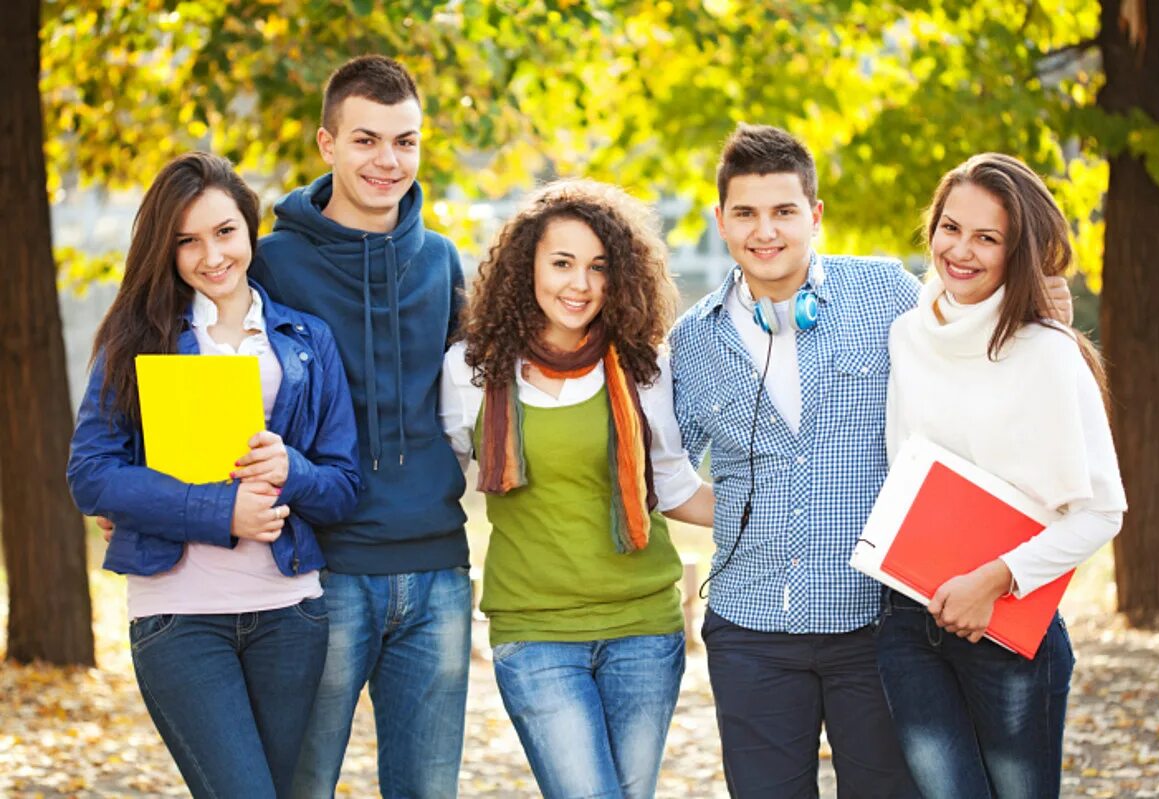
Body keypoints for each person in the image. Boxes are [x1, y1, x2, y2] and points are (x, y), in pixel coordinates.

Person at [668, 125, 1075, 798]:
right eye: (744, 213)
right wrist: (749, 515)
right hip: (749, 629)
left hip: (877, 626)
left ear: (814, 216)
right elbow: (664, 472)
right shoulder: (692, 340)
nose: (763, 231)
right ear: (720, 220)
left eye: (782, 211)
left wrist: (1036, 303)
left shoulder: (887, 293)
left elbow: (971, 322)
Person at [66, 151, 360, 799]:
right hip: (179, 614)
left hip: (290, 614)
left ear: (250, 229)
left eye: (225, 231)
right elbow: (90, 473)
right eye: (187, 240)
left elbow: (343, 486)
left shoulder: (306, 340)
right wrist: (220, 511)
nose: (211, 254)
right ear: (164, 250)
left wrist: (293, 470)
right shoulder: (138, 338)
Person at [440, 179, 715, 799]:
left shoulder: (643, 366)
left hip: (643, 626)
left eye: (598, 268)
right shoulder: (471, 369)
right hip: (534, 632)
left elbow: (672, 487)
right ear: (526, 266)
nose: (580, 284)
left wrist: (778, 513)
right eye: (561, 263)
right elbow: (437, 486)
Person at [247, 55, 471, 798]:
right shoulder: (271, 266)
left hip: (438, 567)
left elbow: (482, 396)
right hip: (322, 569)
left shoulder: (442, 261)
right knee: (301, 785)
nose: (388, 160)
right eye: (366, 139)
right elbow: (218, 375)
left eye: (404, 141)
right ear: (326, 144)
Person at [875, 152, 1126, 799]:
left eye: (986, 237)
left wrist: (992, 581)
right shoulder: (907, 334)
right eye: (949, 227)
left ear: (1018, 252)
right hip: (909, 620)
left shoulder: (1047, 351)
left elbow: (1100, 512)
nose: (959, 249)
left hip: (1006, 626)